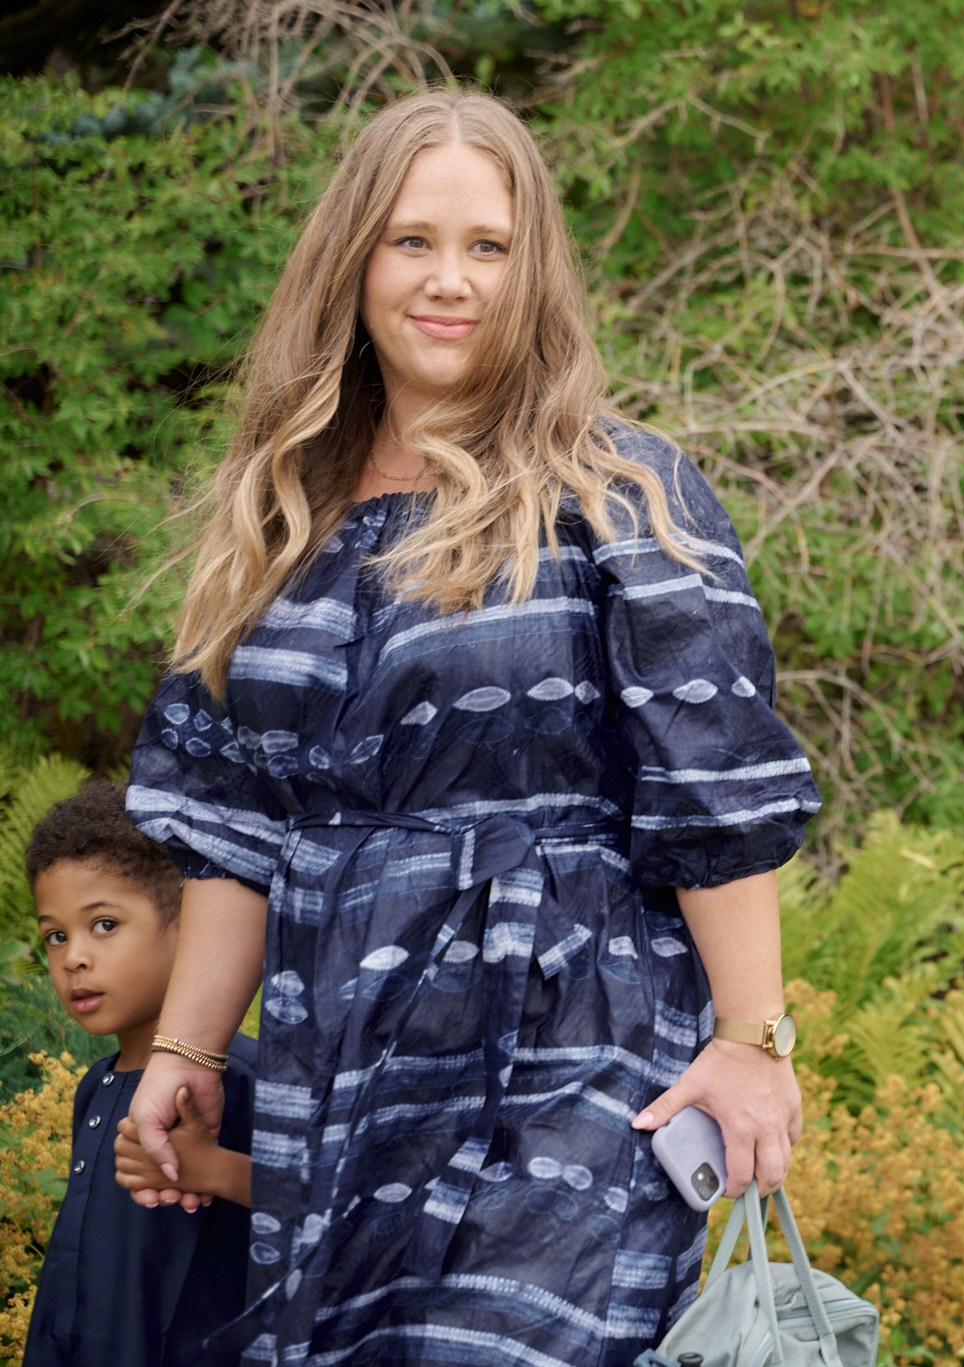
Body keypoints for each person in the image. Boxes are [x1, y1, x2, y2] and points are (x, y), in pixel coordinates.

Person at [120, 88, 821, 1364]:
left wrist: (750, 1039)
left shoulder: (619, 491)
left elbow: (713, 789)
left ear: (532, 266)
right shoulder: (276, 514)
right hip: (339, 1059)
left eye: (487, 246)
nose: (450, 281)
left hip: (571, 1036)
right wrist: (189, 1048)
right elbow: (235, 825)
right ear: (354, 260)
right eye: (412, 241)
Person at [22, 782, 257, 1366]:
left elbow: (326, 1205)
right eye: (56, 935)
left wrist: (215, 1170)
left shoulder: (232, 1078)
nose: (73, 956)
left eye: (104, 925)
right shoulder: (94, 1088)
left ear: (190, 929)